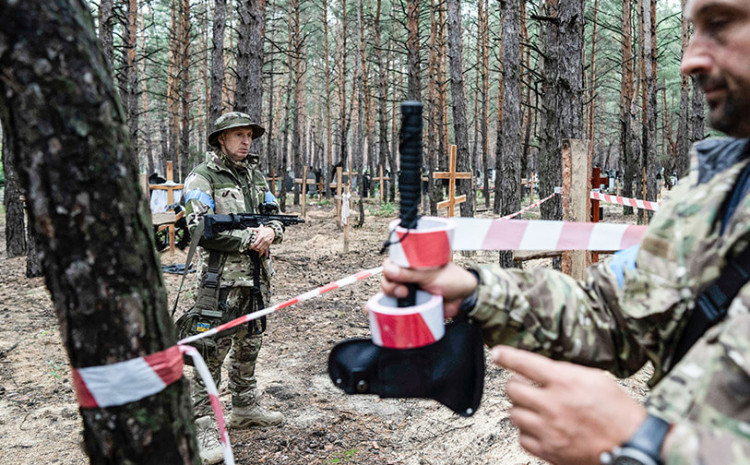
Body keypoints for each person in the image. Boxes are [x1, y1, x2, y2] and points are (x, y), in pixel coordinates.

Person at [381, 0, 750, 464]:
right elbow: (613, 315)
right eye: (692, 30)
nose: (689, 59)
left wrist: (646, 444)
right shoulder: (715, 192)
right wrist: (475, 292)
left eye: (719, 24)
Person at [183, 112, 285, 464]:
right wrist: (248, 238)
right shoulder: (202, 177)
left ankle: (244, 405)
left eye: (249, 135)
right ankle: (201, 423)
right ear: (220, 140)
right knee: (210, 351)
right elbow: (198, 227)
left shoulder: (255, 176)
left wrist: (271, 231)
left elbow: (275, 215)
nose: (245, 141)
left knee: (250, 342)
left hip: (256, 278)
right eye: (238, 135)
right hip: (219, 281)